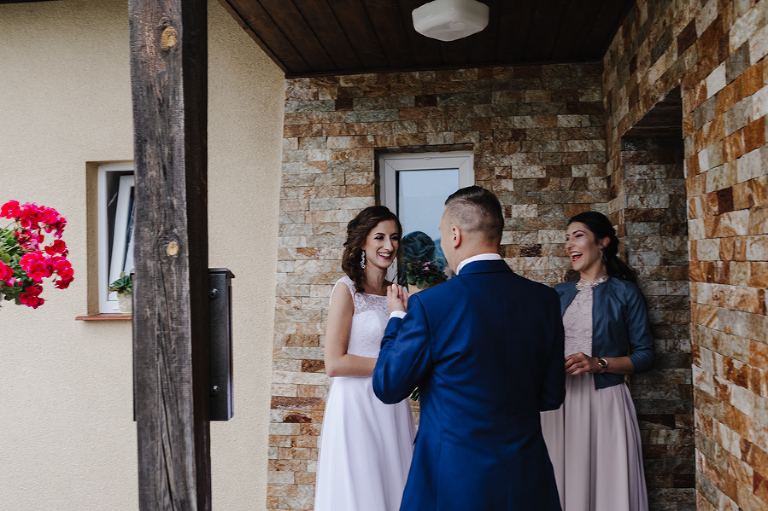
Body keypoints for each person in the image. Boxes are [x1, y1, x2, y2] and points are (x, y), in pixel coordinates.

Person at [373, 186, 565, 511]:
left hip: (452, 483)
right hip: (525, 480)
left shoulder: (431, 305)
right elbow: (551, 396)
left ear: (455, 234)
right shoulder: (544, 300)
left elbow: (389, 385)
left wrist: (396, 319)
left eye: (442, 234)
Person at [540, 211, 654, 511]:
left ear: (602, 242)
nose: (569, 244)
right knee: (559, 479)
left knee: (607, 483)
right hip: (559, 401)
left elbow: (645, 355)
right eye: (567, 238)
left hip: (604, 401)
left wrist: (598, 364)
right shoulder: (557, 294)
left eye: (578, 236)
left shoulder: (625, 293)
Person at [314, 206, 415, 511]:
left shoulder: (399, 294)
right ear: (362, 242)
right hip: (355, 404)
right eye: (380, 237)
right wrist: (390, 367)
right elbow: (334, 363)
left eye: (394, 238)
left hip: (392, 404)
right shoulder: (346, 290)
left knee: (395, 483)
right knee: (361, 485)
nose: (389, 245)